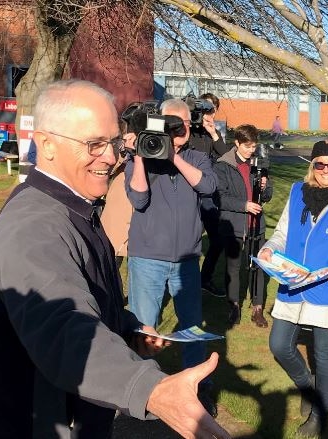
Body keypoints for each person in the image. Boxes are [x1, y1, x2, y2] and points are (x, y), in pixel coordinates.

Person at [0, 80, 229, 439]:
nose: (110, 158)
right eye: (93, 144)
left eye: (112, 143)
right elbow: (63, 328)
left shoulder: (74, 208)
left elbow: (90, 295)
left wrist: (127, 326)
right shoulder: (35, 224)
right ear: (46, 144)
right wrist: (150, 389)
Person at [259, 139, 328, 437]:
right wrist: (269, 249)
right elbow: (281, 233)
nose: (326, 170)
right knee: (279, 345)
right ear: (312, 167)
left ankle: (319, 414)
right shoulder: (296, 192)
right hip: (293, 284)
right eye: (319, 164)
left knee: (324, 354)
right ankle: (307, 386)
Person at [125, 98, 219, 416]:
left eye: (179, 125)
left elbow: (207, 186)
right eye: (168, 125)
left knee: (192, 326)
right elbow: (138, 199)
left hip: (187, 259)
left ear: (188, 127)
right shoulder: (144, 156)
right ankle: (137, 389)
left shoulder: (196, 157)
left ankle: (197, 389)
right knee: (143, 326)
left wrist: (175, 156)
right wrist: (141, 155)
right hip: (147, 257)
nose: (175, 130)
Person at [215, 124, 273, 327]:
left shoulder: (259, 164)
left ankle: (258, 309)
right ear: (237, 143)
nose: (251, 150)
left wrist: (265, 188)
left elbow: (267, 196)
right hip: (235, 225)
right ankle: (234, 306)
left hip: (257, 225)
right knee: (233, 268)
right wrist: (244, 205)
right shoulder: (223, 165)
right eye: (247, 146)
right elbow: (220, 198)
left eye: (253, 146)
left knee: (258, 267)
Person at [191, 92, 232, 298]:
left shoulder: (213, 132)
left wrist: (214, 134)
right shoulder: (187, 128)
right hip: (187, 192)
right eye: (205, 109)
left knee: (217, 240)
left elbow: (226, 158)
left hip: (207, 194)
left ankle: (203, 279)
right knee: (187, 238)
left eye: (212, 110)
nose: (209, 114)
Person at [101, 102, 140, 269]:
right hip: (117, 212)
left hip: (140, 214)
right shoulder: (117, 143)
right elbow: (106, 169)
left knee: (139, 269)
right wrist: (126, 150)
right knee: (111, 267)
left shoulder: (153, 143)